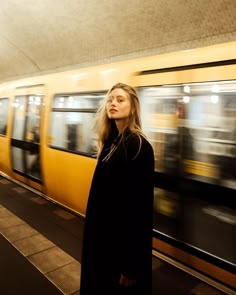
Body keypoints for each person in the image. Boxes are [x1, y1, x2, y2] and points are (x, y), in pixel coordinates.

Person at [80, 83, 155, 295]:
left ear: (132, 108)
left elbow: (139, 210)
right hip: (103, 243)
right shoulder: (112, 141)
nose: (113, 103)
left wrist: (132, 265)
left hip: (117, 249)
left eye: (120, 100)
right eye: (110, 99)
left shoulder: (138, 146)